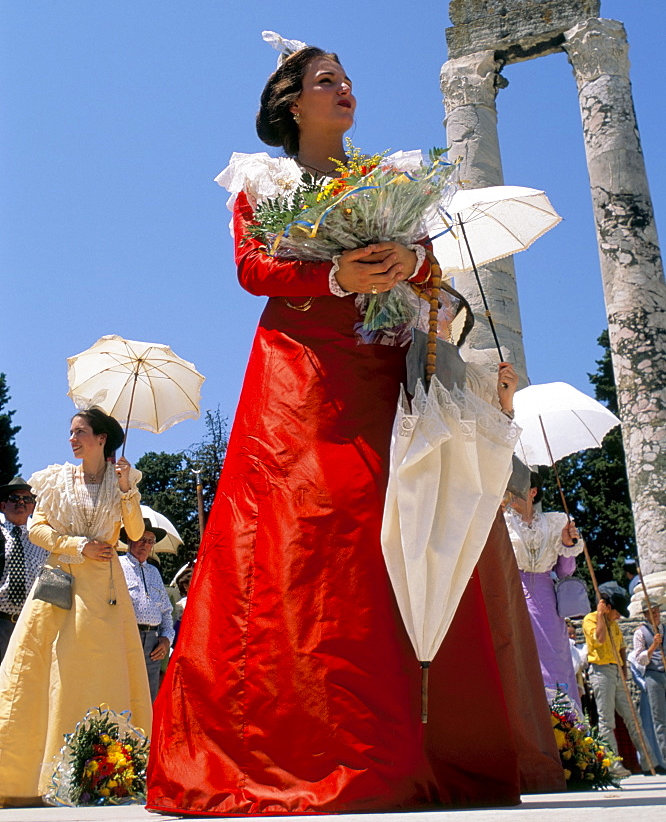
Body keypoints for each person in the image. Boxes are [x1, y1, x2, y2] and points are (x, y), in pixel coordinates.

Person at [147, 40, 526, 816]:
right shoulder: (260, 181)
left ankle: (405, 741)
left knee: (391, 532)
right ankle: (294, 743)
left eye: (348, 78)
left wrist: (405, 262)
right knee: (300, 537)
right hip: (298, 374)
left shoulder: (385, 179)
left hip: (381, 370)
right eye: (327, 80)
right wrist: (334, 273)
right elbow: (253, 269)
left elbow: (432, 270)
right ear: (292, 103)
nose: (346, 88)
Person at [0, 407, 153, 804]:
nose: (71, 439)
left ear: (101, 438)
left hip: (103, 593)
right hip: (58, 586)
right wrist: (76, 545)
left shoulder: (124, 480)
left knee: (99, 672)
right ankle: (24, 778)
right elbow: (37, 527)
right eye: (70, 431)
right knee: (42, 669)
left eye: (79, 432)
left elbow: (135, 534)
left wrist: (126, 491)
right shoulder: (54, 479)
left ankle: (106, 772)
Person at [504, 473, 584, 712]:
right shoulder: (501, 522)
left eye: (515, 486)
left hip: (547, 602)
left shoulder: (555, 522)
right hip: (511, 596)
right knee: (517, 659)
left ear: (532, 492)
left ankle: (565, 728)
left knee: (556, 661)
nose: (509, 491)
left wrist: (568, 544)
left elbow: (564, 571)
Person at [583, 581, 647, 778]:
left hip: (617, 670)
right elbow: (600, 639)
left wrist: (624, 671)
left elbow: (621, 648)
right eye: (616, 611)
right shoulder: (591, 620)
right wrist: (601, 614)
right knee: (606, 720)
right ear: (606, 606)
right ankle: (612, 764)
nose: (619, 616)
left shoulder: (615, 625)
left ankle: (650, 761)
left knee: (632, 718)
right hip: (601, 671)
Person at [119, 521, 174, 701]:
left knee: (149, 697)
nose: (145, 544)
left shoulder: (154, 572)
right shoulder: (116, 566)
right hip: (125, 637)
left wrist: (166, 639)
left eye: (150, 541)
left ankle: (145, 730)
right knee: (124, 693)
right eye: (141, 539)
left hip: (153, 643)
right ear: (129, 539)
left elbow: (166, 611)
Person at [0, 477, 47, 661]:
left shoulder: (41, 541)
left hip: (31, 625)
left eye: (27, 499)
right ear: (3, 506)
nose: (21, 502)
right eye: (14, 498)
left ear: (33, 507)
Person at [633, 599, 666, 768]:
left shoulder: (665, 629)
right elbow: (640, 659)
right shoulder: (640, 633)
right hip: (653, 676)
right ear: (645, 615)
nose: (655, 615)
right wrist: (653, 645)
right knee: (660, 719)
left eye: (656, 611)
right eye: (651, 613)